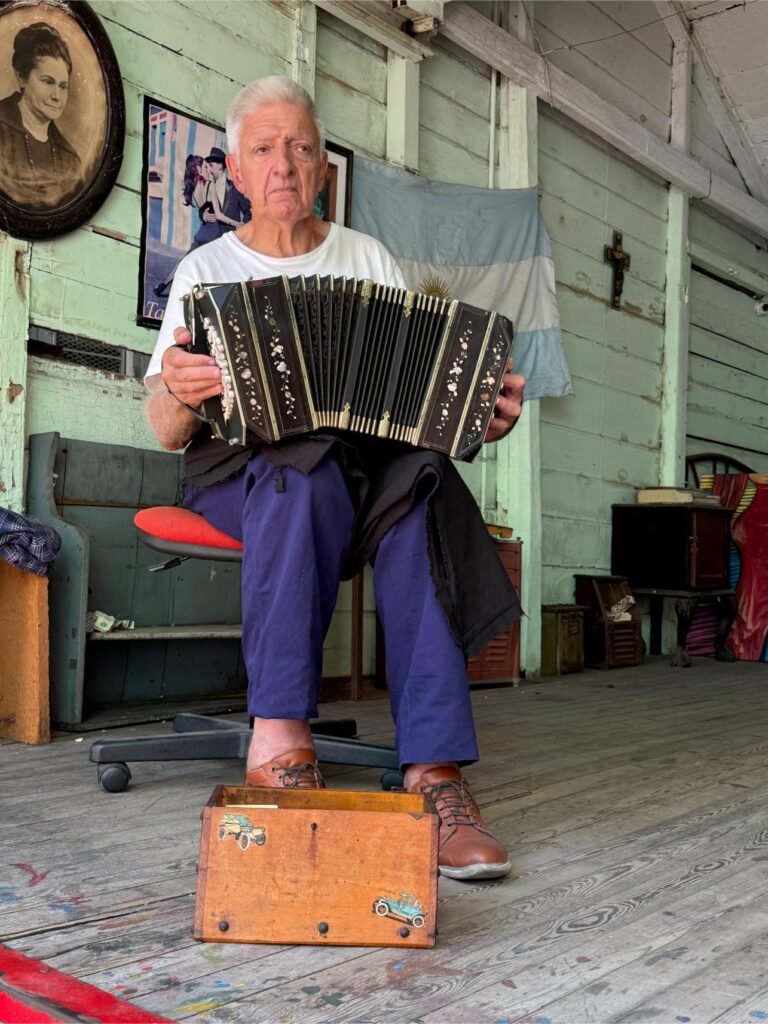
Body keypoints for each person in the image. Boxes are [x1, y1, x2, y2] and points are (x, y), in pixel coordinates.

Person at [144, 75, 524, 882]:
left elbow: (418, 404)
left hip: (358, 467)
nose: (285, 163)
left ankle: (436, 777)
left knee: (422, 480)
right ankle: (279, 740)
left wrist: (480, 411)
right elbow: (166, 426)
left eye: (301, 147)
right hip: (242, 469)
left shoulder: (367, 259)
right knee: (298, 471)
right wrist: (177, 387)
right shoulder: (205, 269)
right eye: (264, 149)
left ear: (322, 169)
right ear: (237, 172)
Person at [0, 22, 81, 209]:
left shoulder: (70, 160)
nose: (57, 96)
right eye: (47, 82)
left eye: (63, 86)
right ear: (21, 77)